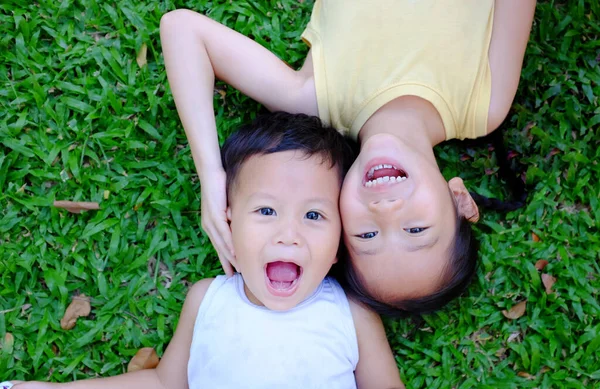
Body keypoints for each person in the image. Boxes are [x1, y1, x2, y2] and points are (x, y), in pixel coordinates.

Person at [159, 0, 536, 316]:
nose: (386, 210)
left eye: (367, 234)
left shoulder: (311, 98)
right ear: (460, 199)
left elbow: (182, 30)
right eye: (416, 229)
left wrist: (212, 177)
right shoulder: (483, 105)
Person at [9, 113, 404, 389]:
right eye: (266, 210)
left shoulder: (351, 312)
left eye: (314, 215)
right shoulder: (207, 300)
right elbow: (166, 383)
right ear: (227, 221)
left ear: (340, 242)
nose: (289, 234)